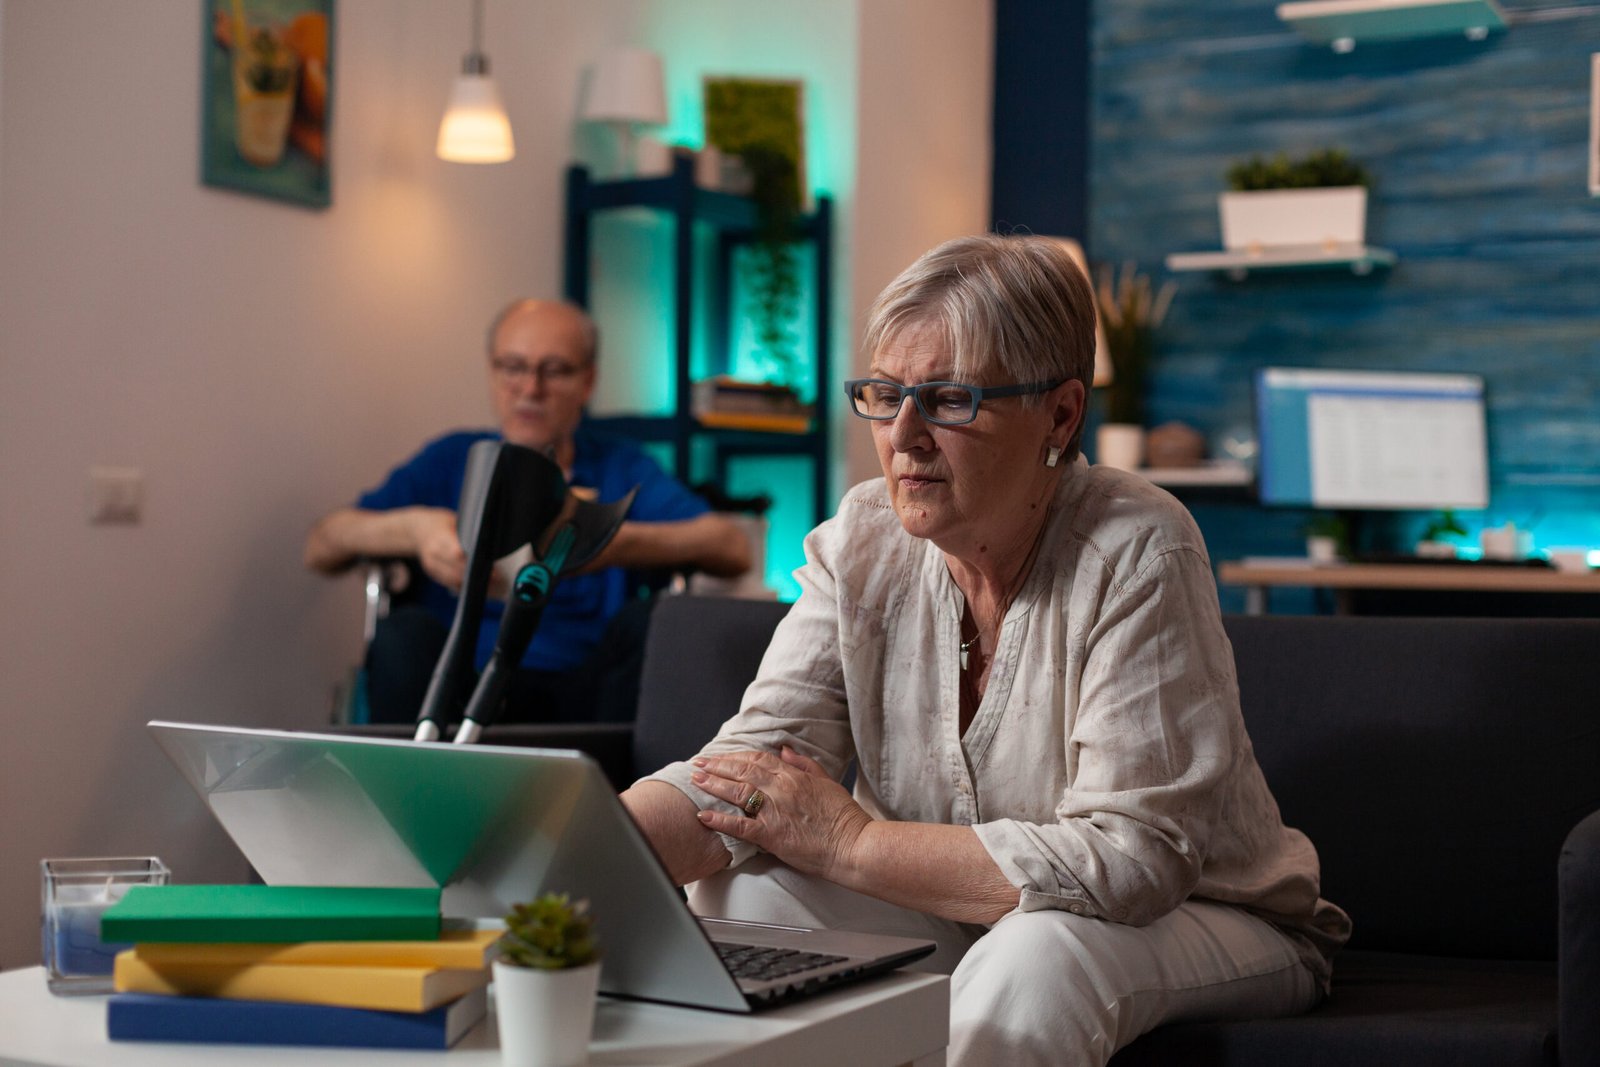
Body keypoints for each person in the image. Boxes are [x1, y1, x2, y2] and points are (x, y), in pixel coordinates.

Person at [619, 236, 1350, 1065]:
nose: (904, 435)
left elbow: (1132, 859)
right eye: (886, 395)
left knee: (1039, 957)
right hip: (965, 911)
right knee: (740, 884)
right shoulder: (862, 538)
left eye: (950, 399)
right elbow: (746, 772)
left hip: (1210, 916)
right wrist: (571, 856)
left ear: (1061, 414)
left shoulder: (1140, 547)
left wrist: (854, 845)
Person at [304, 299, 752, 724]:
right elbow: (323, 544)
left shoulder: (620, 466)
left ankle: (637, 801)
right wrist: (418, 530)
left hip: (586, 691)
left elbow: (731, 546)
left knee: (657, 620)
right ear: (492, 371)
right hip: (455, 685)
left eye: (554, 370)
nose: (530, 389)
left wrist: (606, 541)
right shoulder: (451, 459)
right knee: (403, 633)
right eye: (513, 367)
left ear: (588, 382)